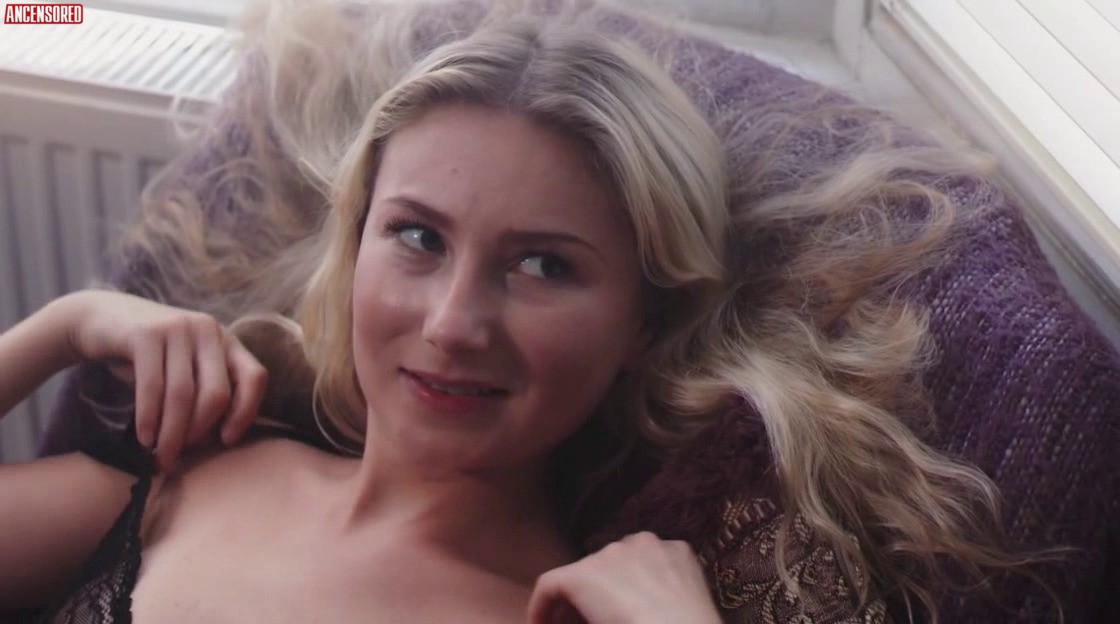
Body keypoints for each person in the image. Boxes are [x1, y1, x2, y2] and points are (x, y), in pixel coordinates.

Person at [0, 1, 1036, 622]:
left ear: (641, 327)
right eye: (416, 237)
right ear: (353, 254)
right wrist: (67, 329)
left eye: (542, 265)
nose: (454, 323)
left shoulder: (561, 613)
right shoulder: (193, 481)